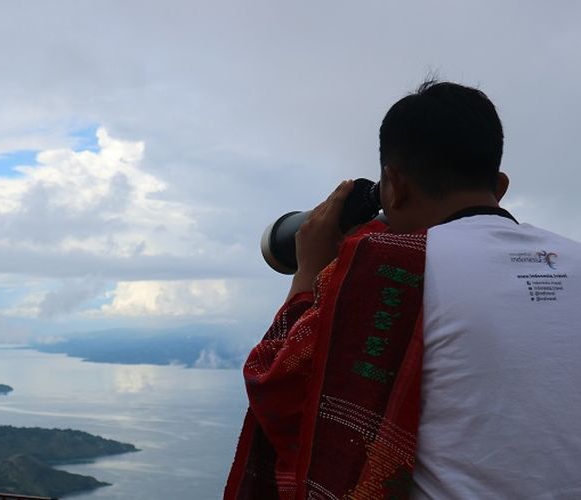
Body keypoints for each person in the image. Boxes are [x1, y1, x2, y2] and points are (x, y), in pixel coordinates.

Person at [225, 81, 581, 499]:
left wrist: (308, 276)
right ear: (500, 186)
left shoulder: (392, 265)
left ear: (393, 186)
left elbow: (279, 389)